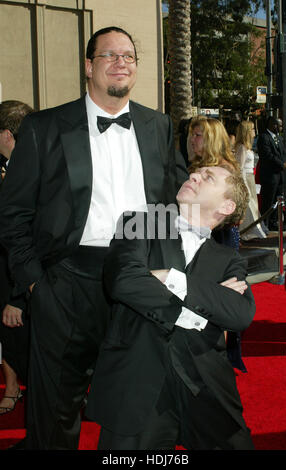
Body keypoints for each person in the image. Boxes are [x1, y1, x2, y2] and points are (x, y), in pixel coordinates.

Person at [0, 27, 187, 450]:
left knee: (141, 401)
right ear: (88, 66)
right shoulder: (44, 126)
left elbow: (170, 206)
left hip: (141, 278)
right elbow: (12, 214)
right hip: (68, 281)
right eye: (110, 55)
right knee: (56, 410)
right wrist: (34, 284)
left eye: (129, 56)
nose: (121, 62)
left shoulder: (158, 125)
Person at [85, 164, 255, 450]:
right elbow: (123, 280)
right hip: (138, 379)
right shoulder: (139, 222)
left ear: (227, 205)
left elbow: (240, 313)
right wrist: (200, 310)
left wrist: (168, 277)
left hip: (205, 384)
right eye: (196, 172)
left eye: (208, 177)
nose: (193, 175)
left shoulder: (228, 259)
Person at [187, 116, 247, 372]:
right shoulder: (196, 165)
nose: (192, 139)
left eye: (198, 134)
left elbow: (237, 212)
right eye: (192, 134)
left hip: (219, 237)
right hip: (199, 234)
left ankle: (217, 359)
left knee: (218, 298)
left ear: (211, 138)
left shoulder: (224, 169)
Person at [0, 101, 34, 415]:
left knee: (35, 363)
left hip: (24, 290)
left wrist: (17, 298)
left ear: (8, 135)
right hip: (11, 286)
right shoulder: (9, 169)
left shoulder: (34, 175)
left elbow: (31, 241)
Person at [235, 120, 267, 241]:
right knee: (249, 206)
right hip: (245, 179)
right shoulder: (242, 147)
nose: (254, 131)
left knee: (254, 205)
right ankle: (248, 231)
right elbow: (240, 167)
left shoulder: (246, 146)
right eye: (252, 129)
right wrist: (243, 184)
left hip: (250, 178)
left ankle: (253, 230)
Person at [257, 116, 286, 231]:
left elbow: (283, 152)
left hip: (280, 175)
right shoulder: (264, 137)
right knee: (268, 200)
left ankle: (274, 223)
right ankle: (265, 223)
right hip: (269, 175)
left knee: (277, 200)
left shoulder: (279, 138)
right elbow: (267, 155)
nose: (280, 128)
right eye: (279, 125)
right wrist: (281, 164)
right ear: (273, 125)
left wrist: (285, 162)